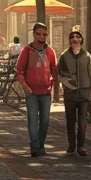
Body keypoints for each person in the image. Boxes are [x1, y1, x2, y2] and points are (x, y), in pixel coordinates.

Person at [17, 23, 58, 158]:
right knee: (33, 120)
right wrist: (27, 88)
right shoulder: (27, 51)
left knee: (45, 122)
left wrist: (53, 85)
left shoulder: (50, 51)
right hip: (32, 93)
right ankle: (34, 146)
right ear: (34, 34)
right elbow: (19, 71)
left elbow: (54, 70)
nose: (42, 36)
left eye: (44, 34)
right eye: (39, 34)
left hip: (46, 92)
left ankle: (41, 145)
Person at [57, 30, 91, 155]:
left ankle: (81, 146)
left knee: (82, 121)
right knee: (70, 120)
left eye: (78, 37)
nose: (75, 39)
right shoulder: (64, 56)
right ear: (70, 41)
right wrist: (66, 84)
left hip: (84, 92)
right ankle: (71, 144)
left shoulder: (87, 55)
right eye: (72, 37)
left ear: (81, 40)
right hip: (70, 93)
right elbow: (60, 73)